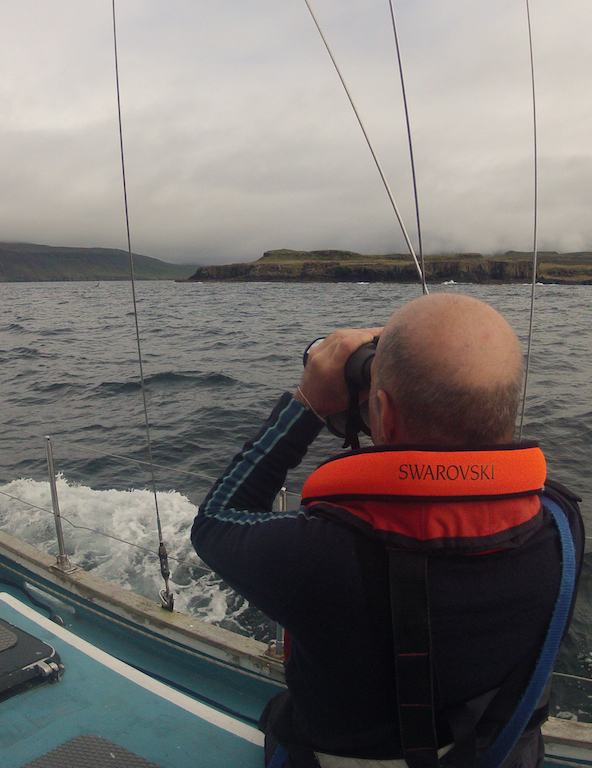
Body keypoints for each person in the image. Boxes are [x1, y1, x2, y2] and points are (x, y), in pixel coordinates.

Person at [191, 293, 584, 768]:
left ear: (386, 412)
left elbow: (215, 521)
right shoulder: (561, 526)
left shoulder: (317, 553)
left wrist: (308, 405)